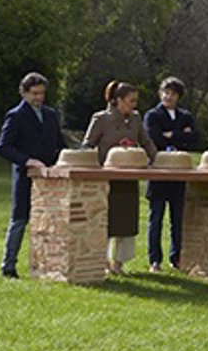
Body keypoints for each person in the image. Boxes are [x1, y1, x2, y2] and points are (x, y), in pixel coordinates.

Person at [84, 80, 157, 275]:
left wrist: (157, 160)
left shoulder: (136, 118)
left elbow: (146, 141)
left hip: (130, 177)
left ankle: (119, 262)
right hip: (106, 178)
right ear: (118, 100)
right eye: (131, 101)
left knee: (127, 221)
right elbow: (88, 144)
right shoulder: (101, 119)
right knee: (106, 219)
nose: (134, 105)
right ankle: (103, 261)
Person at [0, 71, 64, 277]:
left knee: (53, 220)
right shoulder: (16, 115)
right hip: (25, 176)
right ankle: (8, 266)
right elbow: (3, 147)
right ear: (24, 93)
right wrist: (27, 161)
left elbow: (60, 144)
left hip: (49, 176)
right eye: (34, 93)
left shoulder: (50, 114)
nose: (38, 97)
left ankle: (51, 266)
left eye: (41, 93)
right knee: (19, 220)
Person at [143, 76, 201, 274]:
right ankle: (154, 261)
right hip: (159, 172)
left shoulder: (185, 116)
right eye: (166, 92)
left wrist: (172, 134)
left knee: (177, 219)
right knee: (156, 219)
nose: (168, 97)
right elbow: (154, 138)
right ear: (160, 93)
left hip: (179, 174)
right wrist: (180, 135)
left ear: (178, 97)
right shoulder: (152, 115)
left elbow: (194, 138)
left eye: (173, 94)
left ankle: (177, 259)